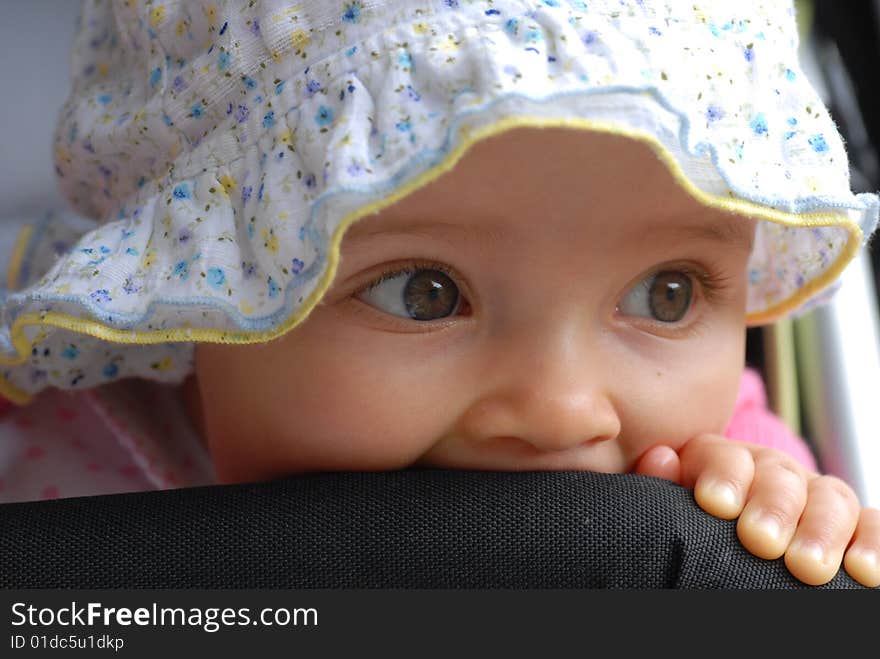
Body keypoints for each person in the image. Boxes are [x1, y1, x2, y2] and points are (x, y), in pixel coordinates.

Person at [0, 0, 878, 588]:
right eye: (424, 293)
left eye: (668, 293)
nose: (562, 410)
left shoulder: (724, 465)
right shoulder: (36, 450)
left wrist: (793, 517)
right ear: (196, 282)